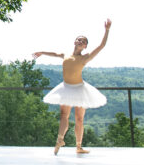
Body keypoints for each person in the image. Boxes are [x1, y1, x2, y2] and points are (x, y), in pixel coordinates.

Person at [33, 19, 111, 155]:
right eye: (79, 40)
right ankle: (60, 140)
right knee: (64, 115)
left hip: (80, 89)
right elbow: (54, 54)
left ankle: (79, 146)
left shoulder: (85, 57)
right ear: (75, 42)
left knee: (79, 119)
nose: (80, 42)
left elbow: (102, 46)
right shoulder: (65, 55)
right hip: (66, 88)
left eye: (83, 41)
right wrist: (42, 52)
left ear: (85, 46)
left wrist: (107, 30)